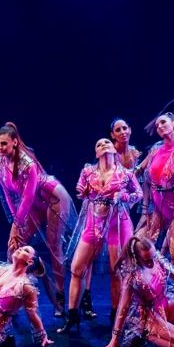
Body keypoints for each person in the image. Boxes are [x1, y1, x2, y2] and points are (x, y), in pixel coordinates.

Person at [0, 122, 77, 316]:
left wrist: (16, 226)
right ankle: (10, 292)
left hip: (52, 199)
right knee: (14, 246)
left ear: (14, 142)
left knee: (54, 246)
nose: (0, 147)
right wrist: (15, 225)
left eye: (4, 143)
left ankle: (60, 298)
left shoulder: (27, 163)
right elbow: (8, 195)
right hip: (31, 206)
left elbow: (28, 196)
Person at [58, 138, 142, 333]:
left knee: (116, 271)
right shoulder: (87, 171)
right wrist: (82, 192)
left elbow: (138, 194)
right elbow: (82, 191)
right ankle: (72, 316)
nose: (103, 144)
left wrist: (124, 196)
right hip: (93, 221)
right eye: (99, 144)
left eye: (107, 142)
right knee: (76, 268)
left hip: (117, 223)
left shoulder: (125, 174)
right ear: (96, 153)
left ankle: (116, 316)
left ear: (114, 149)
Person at [135, 113, 174, 279]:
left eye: (163, 122)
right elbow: (138, 171)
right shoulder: (155, 150)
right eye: (157, 126)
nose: (160, 126)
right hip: (158, 208)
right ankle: (155, 285)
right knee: (139, 246)